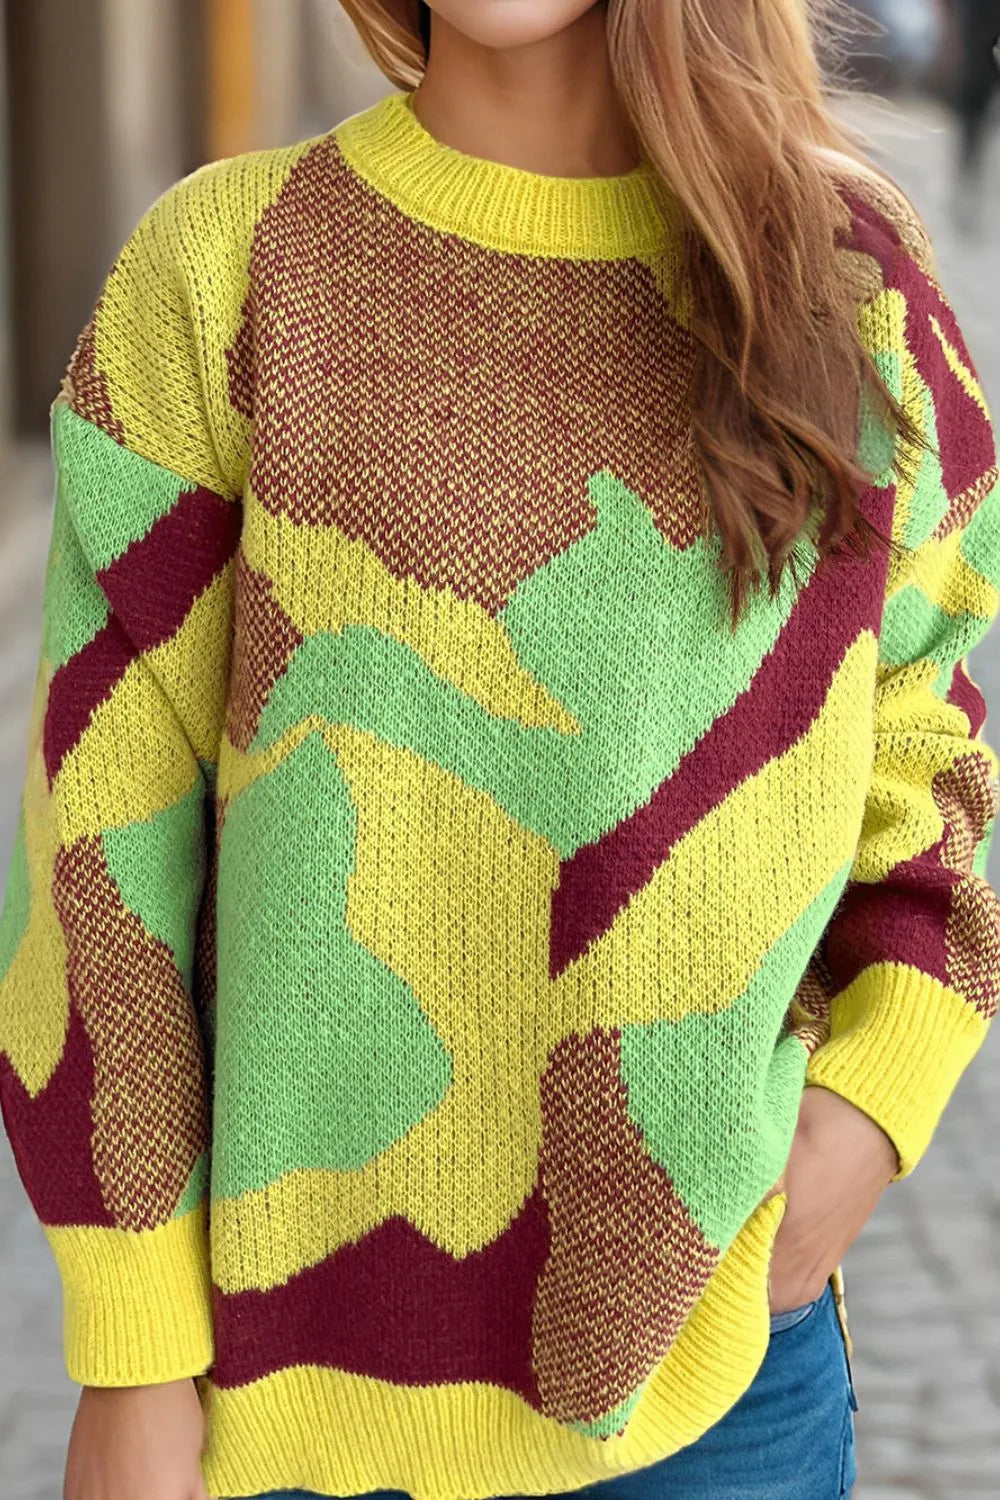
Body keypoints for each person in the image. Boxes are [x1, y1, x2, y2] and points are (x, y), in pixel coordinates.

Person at [0, 2, 997, 1498]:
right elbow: (101, 836)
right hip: (279, 1409)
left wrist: (872, 1104)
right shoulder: (228, 270)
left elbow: (927, 728)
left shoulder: (847, 280)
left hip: (717, 1388)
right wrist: (131, 1348)